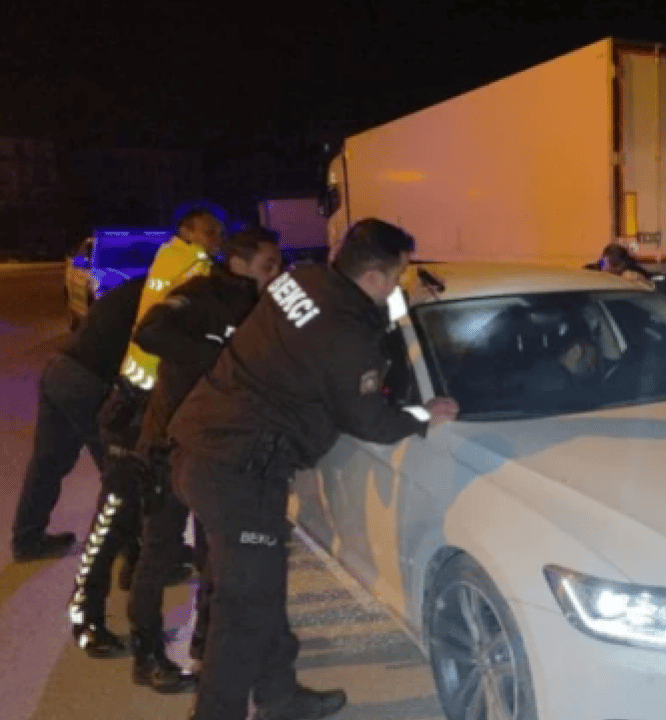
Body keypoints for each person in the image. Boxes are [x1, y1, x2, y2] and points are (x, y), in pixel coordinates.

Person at [167, 218, 459, 720]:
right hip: (239, 470)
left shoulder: (301, 279)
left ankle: (280, 698)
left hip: (202, 445)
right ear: (374, 276)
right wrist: (421, 415)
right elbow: (369, 419)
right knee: (243, 611)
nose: (399, 286)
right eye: (397, 276)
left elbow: (343, 327)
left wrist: (389, 310)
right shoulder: (346, 337)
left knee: (260, 588)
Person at [126, 226, 282, 693]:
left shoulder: (264, 308)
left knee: (217, 553)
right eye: (268, 265)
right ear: (238, 263)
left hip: (219, 450)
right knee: (159, 552)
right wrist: (215, 355)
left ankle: (207, 641)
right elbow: (149, 331)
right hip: (169, 444)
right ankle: (147, 654)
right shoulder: (200, 294)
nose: (276, 273)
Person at [69, 208, 224, 656]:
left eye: (220, 232)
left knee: (136, 513)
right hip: (138, 407)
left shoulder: (169, 259)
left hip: (142, 403)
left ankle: (106, 600)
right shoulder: (194, 266)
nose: (215, 239)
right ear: (187, 233)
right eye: (209, 231)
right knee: (116, 514)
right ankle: (85, 615)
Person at [10, 276, 143, 562]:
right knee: (119, 467)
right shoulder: (156, 299)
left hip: (60, 369)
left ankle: (27, 540)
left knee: (48, 462)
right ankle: (131, 548)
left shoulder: (133, 288)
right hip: (89, 382)